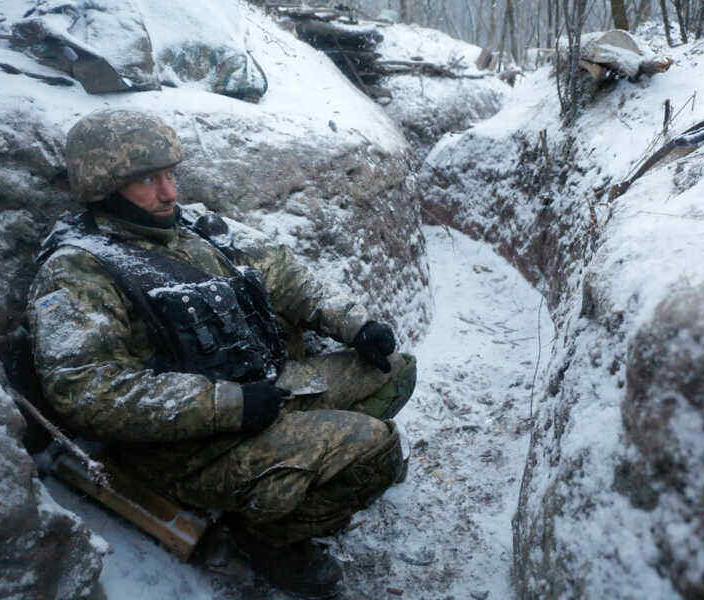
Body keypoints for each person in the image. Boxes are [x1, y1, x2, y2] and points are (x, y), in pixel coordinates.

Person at [26, 109, 416, 599]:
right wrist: (225, 405)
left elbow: (284, 276)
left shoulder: (195, 227)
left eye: (170, 175)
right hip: (186, 447)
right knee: (374, 445)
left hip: (263, 389)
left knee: (397, 372)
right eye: (147, 181)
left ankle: (309, 476)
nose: (169, 193)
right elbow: (87, 392)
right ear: (105, 187)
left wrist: (355, 324)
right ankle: (267, 536)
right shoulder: (78, 271)